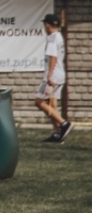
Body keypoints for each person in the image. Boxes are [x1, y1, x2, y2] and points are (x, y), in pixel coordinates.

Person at [37, 13, 71, 142]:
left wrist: (49, 75)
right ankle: (57, 133)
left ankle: (64, 124)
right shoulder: (59, 36)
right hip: (60, 74)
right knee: (52, 103)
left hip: (53, 76)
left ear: (47, 25)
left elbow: (53, 56)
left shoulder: (52, 37)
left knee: (39, 102)